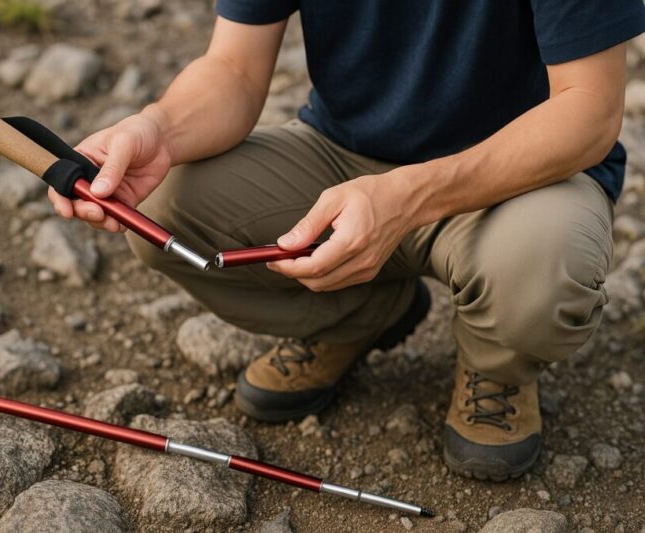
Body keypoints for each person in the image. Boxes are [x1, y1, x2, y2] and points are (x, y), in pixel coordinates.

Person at [49, 2, 645, 481]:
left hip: (514, 178)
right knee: (157, 208)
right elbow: (233, 68)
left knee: (544, 269)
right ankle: (358, 314)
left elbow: (589, 110)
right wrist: (157, 127)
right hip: (341, 157)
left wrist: (408, 195)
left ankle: (499, 364)